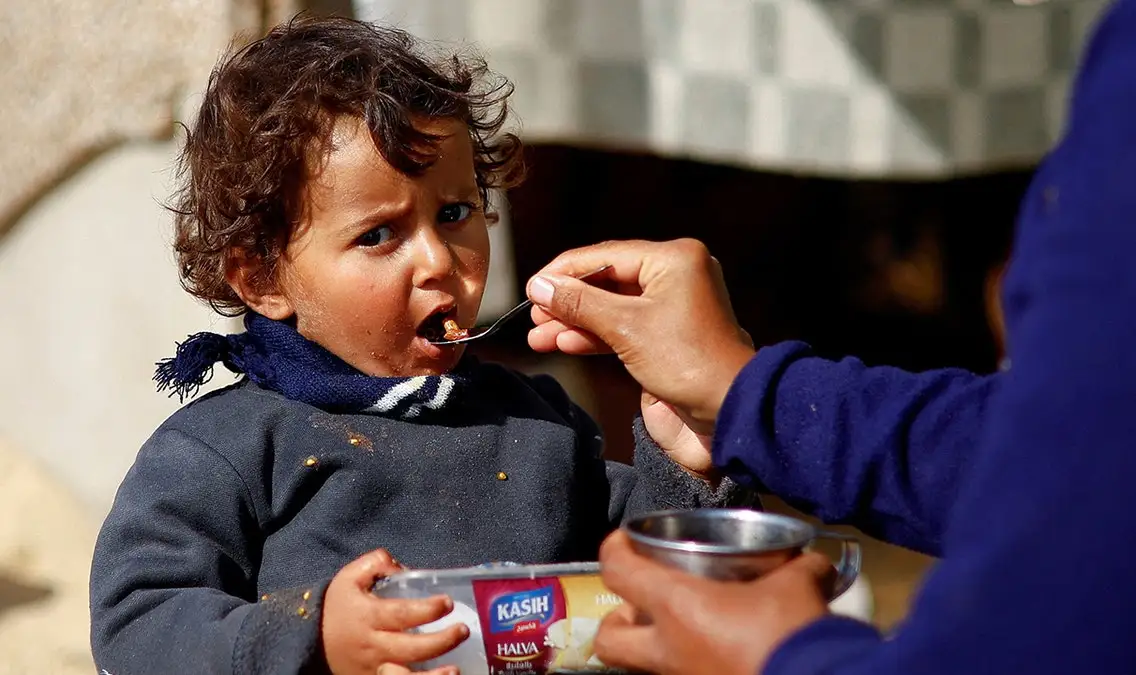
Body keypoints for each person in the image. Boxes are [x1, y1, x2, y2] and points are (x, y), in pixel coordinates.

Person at [522, 0, 1136, 672]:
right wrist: (747, 394)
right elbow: (1076, 449)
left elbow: (1072, 597)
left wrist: (783, 658)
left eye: (459, 212)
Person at [88, 16, 753, 675]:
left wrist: (687, 460)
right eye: (379, 235)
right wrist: (313, 636)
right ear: (261, 277)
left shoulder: (538, 425)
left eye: (456, 212)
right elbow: (138, 618)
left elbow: (648, 589)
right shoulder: (227, 448)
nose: (438, 259)